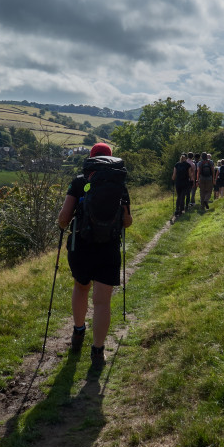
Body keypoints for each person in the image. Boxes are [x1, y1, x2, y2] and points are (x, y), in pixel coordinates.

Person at [57, 142, 132, 369]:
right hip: (108, 247)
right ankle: (98, 351)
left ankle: (79, 332)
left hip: (81, 246)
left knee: (81, 287)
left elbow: (63, 217)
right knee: (102, 301)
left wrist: (66, 225)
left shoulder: (80, 181)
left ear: (91, 158)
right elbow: (127, 222)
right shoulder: (120, 184)